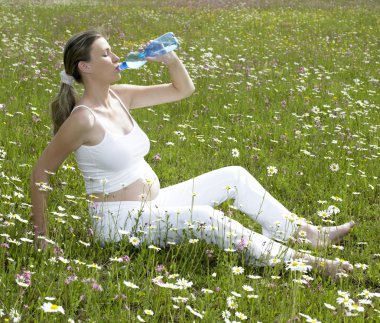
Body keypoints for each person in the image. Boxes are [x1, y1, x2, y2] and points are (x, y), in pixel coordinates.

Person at [30, 30, 355, 278]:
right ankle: (308, 264)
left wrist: (169, 60)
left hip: (151, 205)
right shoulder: (83, 118)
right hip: (119, 224)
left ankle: (311, 235)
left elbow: (181, 90)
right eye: (105, 54)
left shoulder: (119, 97)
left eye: (113, 51)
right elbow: (40, 174)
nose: (115, 58)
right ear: (84, 66)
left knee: (235, 176)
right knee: (205, 216)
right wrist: (42, 236)